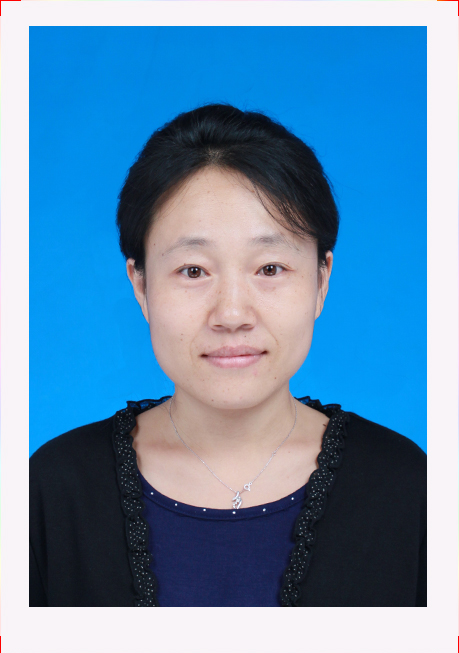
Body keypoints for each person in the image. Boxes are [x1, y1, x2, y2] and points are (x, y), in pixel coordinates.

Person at [29, 103, 426, 607]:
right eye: (194, 271)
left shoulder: (407, 487)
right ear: (140, 285)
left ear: (322, 280)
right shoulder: (54, 489)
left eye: (270, 269)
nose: (232, 314)